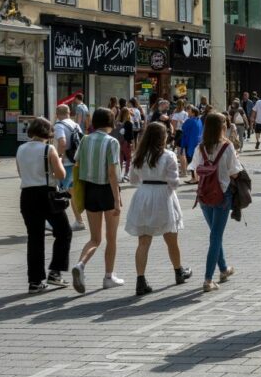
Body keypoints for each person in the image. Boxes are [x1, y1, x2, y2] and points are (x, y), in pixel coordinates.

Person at [125, 122, 191, 296]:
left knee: (143, 242)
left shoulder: (138, 156)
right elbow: (174, 181)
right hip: (163, 195)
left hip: (144, 194)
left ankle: (140, 280)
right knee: (171, 238)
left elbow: (132, 180)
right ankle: (178, 271)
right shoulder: (167, 155)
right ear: (163, 137)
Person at [70, 108, 124, 294]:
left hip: (90, 190)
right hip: (107, 191)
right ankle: (109, 277)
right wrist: (117, 200)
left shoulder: (85, 139)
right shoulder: (112, 142)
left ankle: (80, 264)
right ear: (111, 121)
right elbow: (112, 173)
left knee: (95, 238)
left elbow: (77, 162)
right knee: (111, 237)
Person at [16, 117, 72, 293]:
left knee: (35, 238)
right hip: (47, 195)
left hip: (27, 195)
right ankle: (55, 272)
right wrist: (60, 162)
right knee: (64, 232)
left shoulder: (21, 149)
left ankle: (35, 281)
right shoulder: (49, 149)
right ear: (48, 133)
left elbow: (20, 172)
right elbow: (61, 175)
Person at [190, 112, 242, 292]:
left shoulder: (200, 147)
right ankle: (207, 279)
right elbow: (235, 172)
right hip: (222, 195)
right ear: (222, 127)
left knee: (214, 233)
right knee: (216, 236)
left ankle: (224, 269)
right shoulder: (227, 147)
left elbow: (195, 171)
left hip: (204, 195)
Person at [54, 104, 85, 231]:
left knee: (59, 193)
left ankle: (55, 223)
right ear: (69, 112)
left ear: (57, 114)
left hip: (66, 164)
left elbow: (62, 142)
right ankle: (79, 221)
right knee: (72, 194)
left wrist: (59, 157)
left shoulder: (59, 125)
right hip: (76, 163)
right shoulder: (75, 125)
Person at [181, 106, 203, 184]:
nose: (188, 112)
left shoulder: (190, 120)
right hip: (197, 142)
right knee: (196, 161)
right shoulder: (199, 120)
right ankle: (196, 177)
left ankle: (194, 178)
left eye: (189, 111)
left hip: (190, 143)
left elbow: (183, 127)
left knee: (191, 160)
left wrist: (182, 123)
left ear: (193, 113)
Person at [117, 107, 134, 182]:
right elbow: (131, 135)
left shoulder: (117, 122)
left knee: (120, 159)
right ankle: (126, 174)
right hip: (126, 142)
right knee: (128, 159)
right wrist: (132, 143)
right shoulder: (129, 123)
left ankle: (119, 174)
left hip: (118, 142)